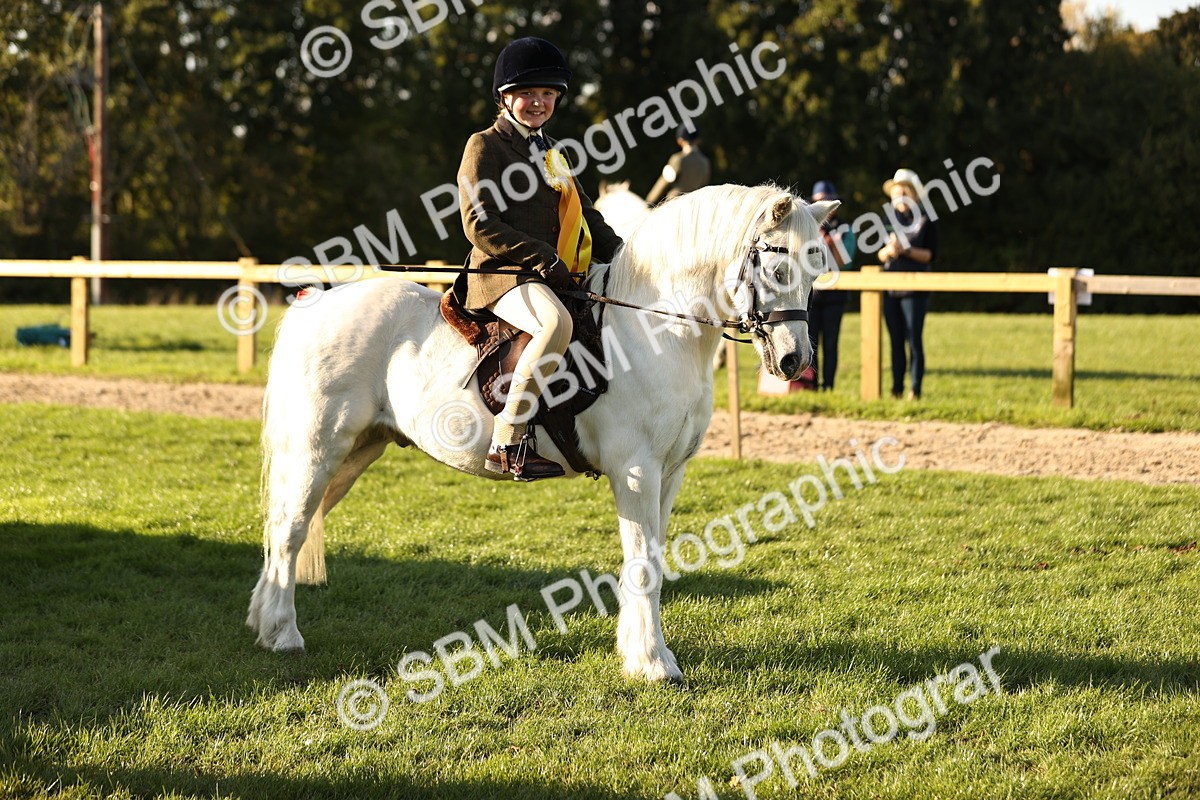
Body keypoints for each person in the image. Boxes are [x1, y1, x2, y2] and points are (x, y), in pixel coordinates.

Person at [458, 36, 624, 481]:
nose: (538, 102)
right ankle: (507, 440)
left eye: (548, 93)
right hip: (501, 275)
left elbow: (587, 215)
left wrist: (627, 257)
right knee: (556, 324)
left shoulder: (552, 152)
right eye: (527, 93)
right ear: (504, 97)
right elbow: (478, 222)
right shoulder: (484, 146)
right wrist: (541, 256)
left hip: (551, 274)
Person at [876, 168, 939, 400]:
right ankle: (896, 389)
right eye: (896, 193)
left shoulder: (927, 218)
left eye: (904, 192)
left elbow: (930, 255)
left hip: (915, 288)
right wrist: (888, 251)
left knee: (913, 340)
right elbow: (879, 254)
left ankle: (915, 388)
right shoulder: (887, 220)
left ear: (914, 194)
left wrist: (907, 250)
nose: (899, 197)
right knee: (895, 341)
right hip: (891, 288)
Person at [806, 180, 857, 391]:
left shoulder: (845, 229)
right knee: (811, 342)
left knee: (830, 342)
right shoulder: (807, 228)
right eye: (819, 201)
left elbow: (846, 262)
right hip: (811, 294)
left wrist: (830, 243)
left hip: (835, 295)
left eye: (827, 201)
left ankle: (829, 385)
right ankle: (811, 384)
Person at [645, 124, 711, 205]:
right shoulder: (705, 162)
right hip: (695, 205)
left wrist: (649, 201)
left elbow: (664, 182)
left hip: (675, 205)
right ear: (698, 140)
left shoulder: (678, 159)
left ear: (680, 141)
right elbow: (704, 186)